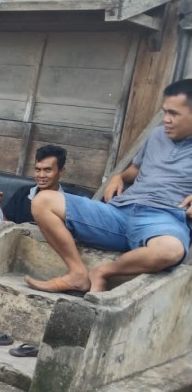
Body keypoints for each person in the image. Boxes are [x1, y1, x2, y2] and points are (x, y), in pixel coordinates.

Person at [26, 79, 192, 295]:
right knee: (42, 200)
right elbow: (135, 171)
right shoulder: (157, 135)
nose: (166, 120)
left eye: (174, 114)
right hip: (118, 213)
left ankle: (102, 272)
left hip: (160, 221)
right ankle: (77, 274)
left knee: (171, 251)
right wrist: (119, 176)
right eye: (164, 112)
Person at [0, 145, 68, 227]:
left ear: (61, 171)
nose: (41, 175)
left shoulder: (67, 204)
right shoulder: (24, 193)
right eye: (37, 170)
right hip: (10, 239)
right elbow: (6, 224)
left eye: (47, 170)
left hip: (40, 242)